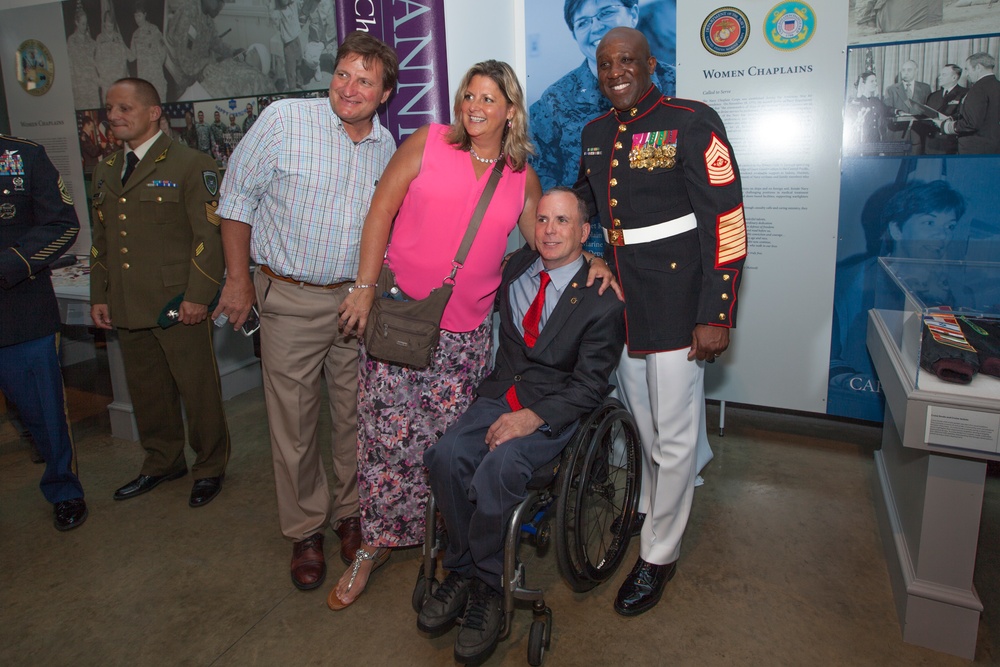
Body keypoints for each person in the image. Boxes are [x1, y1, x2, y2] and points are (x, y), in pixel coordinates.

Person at [332, 59, 617, 611]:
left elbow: (551, 242)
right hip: (401, 317)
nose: (475, 107)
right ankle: (375, 544)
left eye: (489, 98)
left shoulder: (521, 178)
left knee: (447, 447)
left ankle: (444, 546)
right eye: (469, 95)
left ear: (510, 109)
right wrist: (365, 286)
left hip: (465, 338)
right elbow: (380, 211)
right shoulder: (428, 142)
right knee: (384, 439)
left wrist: (597, 263)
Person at [212, 31, 399, 592]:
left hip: (354, 302)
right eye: (344, 73)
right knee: (292, 422)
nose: (350, 87)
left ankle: (349, 513)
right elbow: (236, 198)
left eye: (366, 80)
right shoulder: (284, 121)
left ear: (385, 93)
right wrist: (239, 280)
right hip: (289, 297)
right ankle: (304, 530)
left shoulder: (387, 147)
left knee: (352, 415)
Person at [575, 27, 747, 616]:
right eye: (605, 64)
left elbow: (726, 222)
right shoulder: (595, 133)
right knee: (645, 424)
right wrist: (587, 250)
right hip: (626, 299)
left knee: (675, 437)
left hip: (679, 301)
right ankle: (650, 506)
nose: (615, 71)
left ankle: (659, 556)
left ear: (651, 66)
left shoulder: (692, 120)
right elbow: (585, 207)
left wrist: (716, 313)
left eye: (627, 61)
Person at [418, 187, 625, 663]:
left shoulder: (602, 300)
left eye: (563, 221)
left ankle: (491, 586)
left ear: (584, 232)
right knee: (447, 455)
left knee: (501, 467)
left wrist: (534, 417)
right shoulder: (516, 268)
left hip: (554, 409)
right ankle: (463, 569)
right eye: (543, 220)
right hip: (500, 395)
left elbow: (591, 386)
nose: (550, 230)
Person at [89, 77, 230, 508]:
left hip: (177, 302)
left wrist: (199, 296)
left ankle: (209, 466)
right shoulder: (107, 169)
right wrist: (101, 295)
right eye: (109, 109)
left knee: (197, 389)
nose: (114, 117)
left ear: (153, 112)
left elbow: (209, 235)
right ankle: (162, 461)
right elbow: (103, 239)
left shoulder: (191, 163)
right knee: (147, 391)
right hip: (129, 302)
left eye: (124, 108)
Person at [530, 0, 675, 253]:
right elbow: (545, 188)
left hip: (662, 255)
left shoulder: (676, 86)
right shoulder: (553, 103)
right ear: (574, 33)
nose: (596, 27)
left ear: (633, 14)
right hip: (586, 253)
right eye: (583, 22)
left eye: (606, 12)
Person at [0, 133, 88, 531]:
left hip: (16, 311)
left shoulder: (22, 156)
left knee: (42, 413)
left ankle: (63, 489)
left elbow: (61, 224)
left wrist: (7, 266)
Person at [164, 0, 231, 98]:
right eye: (219, 1)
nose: (221, 6)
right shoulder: (188, 15)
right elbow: (186, 61)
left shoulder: (206, 14)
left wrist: (231, 52)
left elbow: (215, 41)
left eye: (223, 2)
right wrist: (205, 66)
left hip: (197, 72)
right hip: (184, 83)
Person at [938, 53, 1000, 154]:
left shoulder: (977, 89)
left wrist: (945, 126)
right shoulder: (997, 86)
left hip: (975, 148)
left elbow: (971, 124)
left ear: (978, 67)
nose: (966, 74)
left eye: (967, 69)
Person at [884, 60, 931, 152]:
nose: (906, 73)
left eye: (909, 70)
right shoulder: (891, 89)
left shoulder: (925, 88)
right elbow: (887, 110)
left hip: (917, 136)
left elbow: (928, 110)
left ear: (916, 71)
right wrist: (898, 112)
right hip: (897, 135)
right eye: (903, 70)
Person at [921, 64, 966, 155]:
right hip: (931, 143)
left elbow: (965, 116)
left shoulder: (965, 93)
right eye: (940, 74)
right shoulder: (933, 95)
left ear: (954, 77)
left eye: (944, 75)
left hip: (951, 143)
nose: (940, 77)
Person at [129, 2, 168, 102]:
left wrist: (157, 67)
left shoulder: (153, 29)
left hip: (156, 77)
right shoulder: (135, 35)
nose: (137, 18)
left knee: (160, 103)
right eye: (135, 16)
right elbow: (132, 56)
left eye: (139, 15)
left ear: (145, 14)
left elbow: (163, 50)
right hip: (144, 78)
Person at [845, 72, 893, 148]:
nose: (875, 84)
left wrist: (898, 112)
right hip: (861, 142)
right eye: (872, 81)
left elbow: (887, 110)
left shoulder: (877, 101)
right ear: (863, 84)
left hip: (876, 141)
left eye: (876, 81)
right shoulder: (855, 103)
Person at [66, 7, 101, 110]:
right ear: (76, 23)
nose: (84, 27)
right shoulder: (72, 41)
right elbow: (70, 64)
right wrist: (73, 86)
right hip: (80, 86)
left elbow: (97, 61)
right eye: (82, 24)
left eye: (86, 23)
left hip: (92, 85)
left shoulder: (91, 42)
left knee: (97, 111)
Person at [95, 11, 130, 104]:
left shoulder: (118, 37)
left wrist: (122, 75)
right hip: (106, 80)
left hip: (118, 79)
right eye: (108, 25)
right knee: (109, 105)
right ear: (104, 23)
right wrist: (102, 76)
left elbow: (123, 57)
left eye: (111, 25)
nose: (110, 27)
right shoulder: (100, 38)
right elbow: (97, 60)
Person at [271, 0, 303, 90]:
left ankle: (299, 82)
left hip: (296, 38)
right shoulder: (278, 12)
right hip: (288, 43)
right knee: (290, 68)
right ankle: (292, 88)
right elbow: (274, 19)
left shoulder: (293, 5)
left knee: (299, 62)